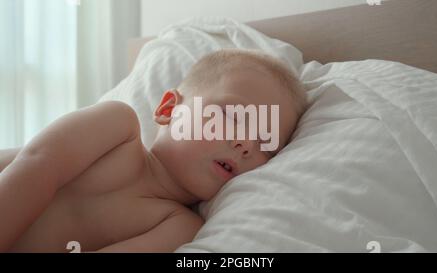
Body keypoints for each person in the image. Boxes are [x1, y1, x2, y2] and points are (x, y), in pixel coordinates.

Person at [0, 48, 306, 252]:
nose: (247, 145)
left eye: (266, 145)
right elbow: (35, 166)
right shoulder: (115, 126)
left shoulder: (179, 227)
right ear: (169, 108)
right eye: (234, 117)